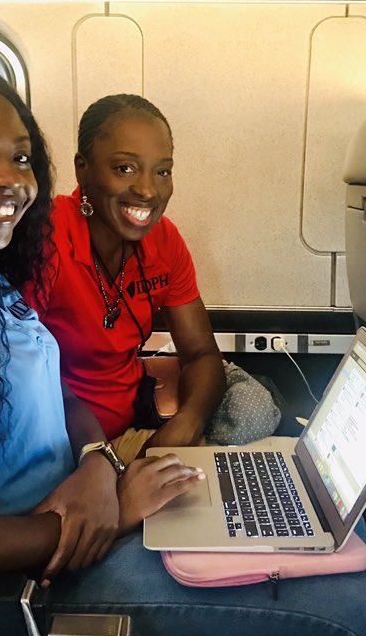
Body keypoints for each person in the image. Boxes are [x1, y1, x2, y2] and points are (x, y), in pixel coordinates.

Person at [0, 54, 366, 636]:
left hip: (88, 501)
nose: (10, 178)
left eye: (21, 157)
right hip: (36, 574)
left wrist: (98, 463)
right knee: (361, 610)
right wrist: (103, 514)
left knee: (346, 532)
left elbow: (55, 392)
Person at [30, 95, 275, 465]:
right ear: (83, 170)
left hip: (132, 427)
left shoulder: (164, 241)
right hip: (60, 443)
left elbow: (201, 353)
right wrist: (98, 459)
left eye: (162, 171)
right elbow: (20, 381)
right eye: (125, 168)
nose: (148, 190)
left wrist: (185, 426)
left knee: (256, 412)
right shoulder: (46, 239)